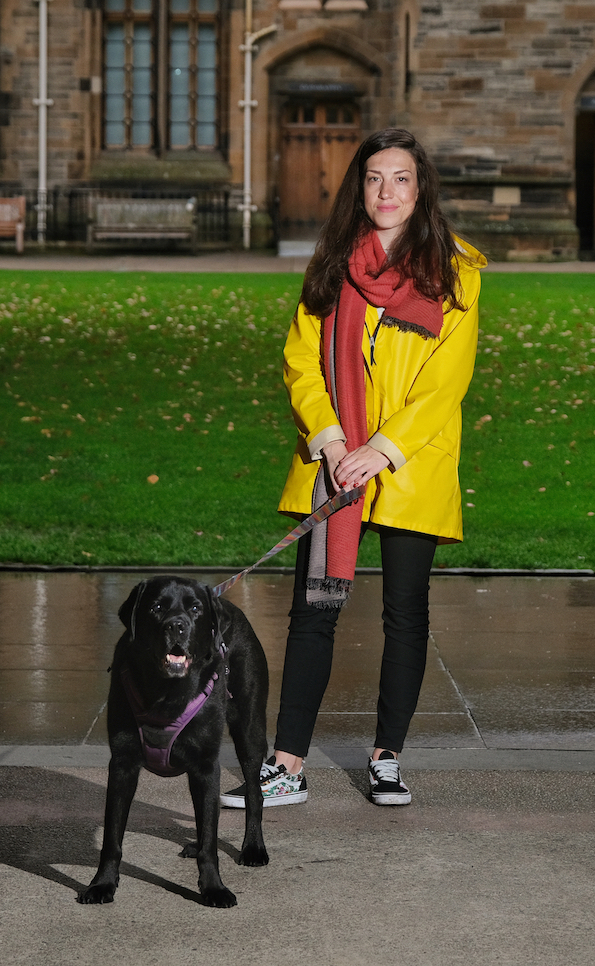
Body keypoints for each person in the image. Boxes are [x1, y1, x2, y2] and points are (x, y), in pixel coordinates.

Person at [221, 128, 486, 810]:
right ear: (358, 188)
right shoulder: (335, 263)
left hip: (411, 465)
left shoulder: (455, 270)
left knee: (406, 615)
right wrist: (335, 442)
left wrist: (383, 450)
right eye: (373, 178)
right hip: (335, 465)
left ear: (420, 187)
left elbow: (444, 384)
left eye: (400, 178)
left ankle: (387, 759)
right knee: (314, 612)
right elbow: (300, 360)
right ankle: (286, 765)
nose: (387, 192)